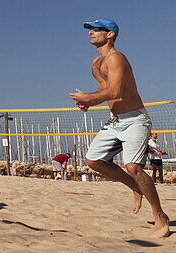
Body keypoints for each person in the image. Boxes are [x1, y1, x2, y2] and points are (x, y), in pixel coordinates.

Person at [69, 19, 169, 238]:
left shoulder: (117, 58)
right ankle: (135, 187)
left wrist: (88, 98)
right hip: (115, 120)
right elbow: (103, 91)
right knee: (92, 161)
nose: (91, 32)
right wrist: (89, 101)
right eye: (90, 30)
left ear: (110, 34)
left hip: (135, 119)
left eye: (97, 30)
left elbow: (116, 92)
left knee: (133, 167)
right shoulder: (96, 63)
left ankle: (160, 215)